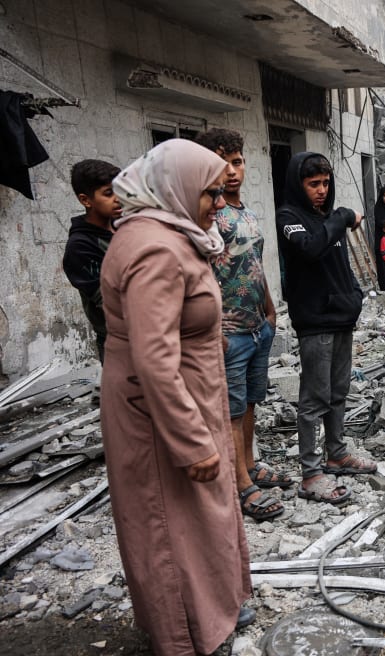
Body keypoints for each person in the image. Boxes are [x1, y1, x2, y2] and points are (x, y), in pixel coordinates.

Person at [100, 139, 253, 655]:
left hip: (185, 397)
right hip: (160, 411)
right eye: (210, 192)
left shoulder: (170, 231)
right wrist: (192, 442)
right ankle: (188, 631)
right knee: (172, 523)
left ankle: (213, 610)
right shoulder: (155, 250)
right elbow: (154, 359)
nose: (219, 203)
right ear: (177, 187)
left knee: (200, 515)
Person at [196, 128, 288, 523]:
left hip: (257, 326)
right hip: (228, 331)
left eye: (237, 162)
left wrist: (270, 310)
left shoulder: (245, 212)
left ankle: (248, 464)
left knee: (250, 402)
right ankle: (240, 484)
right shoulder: (205, 217)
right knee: (231, 411)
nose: (232, 172)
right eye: (223, 164)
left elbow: (254, 264)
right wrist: (212, 329)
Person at [277, 152, 377, 506]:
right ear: (298, 185)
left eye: (325, 183)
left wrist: (354, 296)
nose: (321, 190)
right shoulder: (290, 218)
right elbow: (311, 248)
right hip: (315, 322)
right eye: (313, 184)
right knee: (314, 399)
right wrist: (343, 216)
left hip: (340, 317)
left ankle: (336, 454)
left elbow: (340, 265)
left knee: (338, 392)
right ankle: (310, 473)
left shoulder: (325, 218)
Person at [63, 159, 121, 363]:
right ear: (85, 200)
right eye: (108, 193)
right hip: (120, 342)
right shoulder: (80, 247)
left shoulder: (125, 225)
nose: (119, 198)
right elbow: (112, 302)